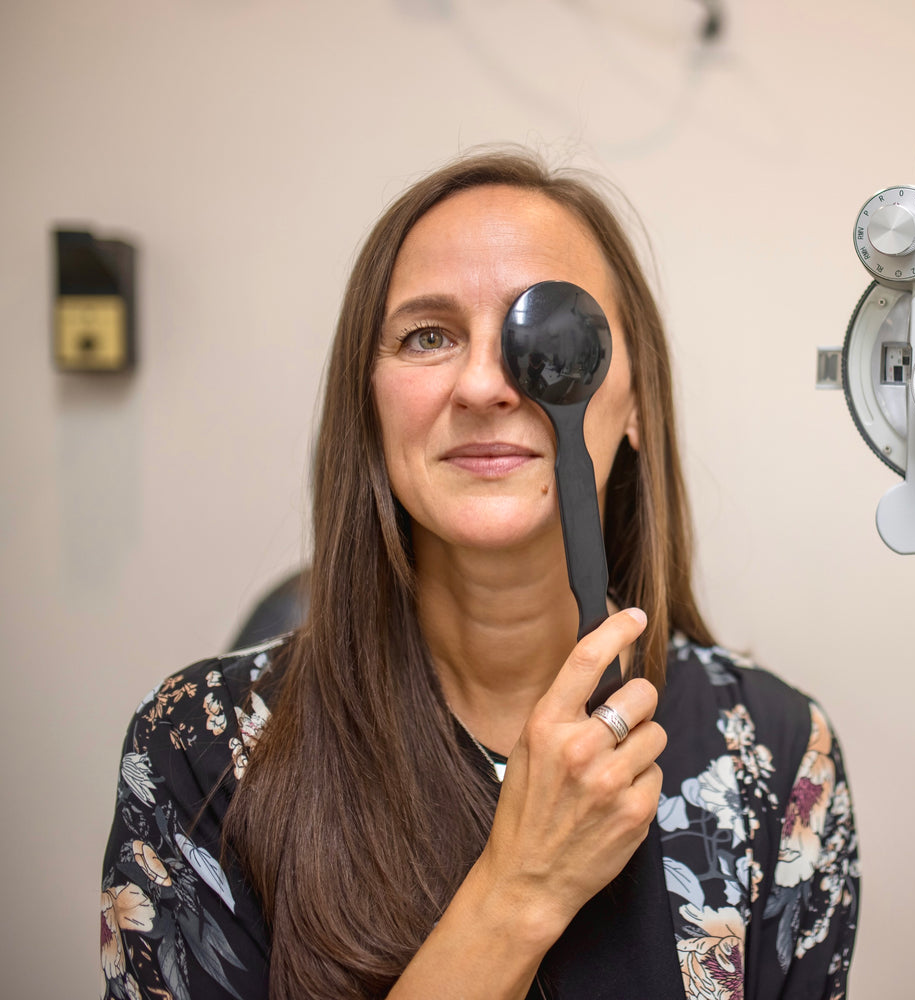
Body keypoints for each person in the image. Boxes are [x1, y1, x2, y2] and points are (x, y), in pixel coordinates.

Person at [100, 150, 859, 1000]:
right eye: (428, 336)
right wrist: (520, 892)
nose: (485, 384)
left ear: (636, 399)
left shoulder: (779, 756)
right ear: (370, 401)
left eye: (550, 333)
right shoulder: (197, 756)